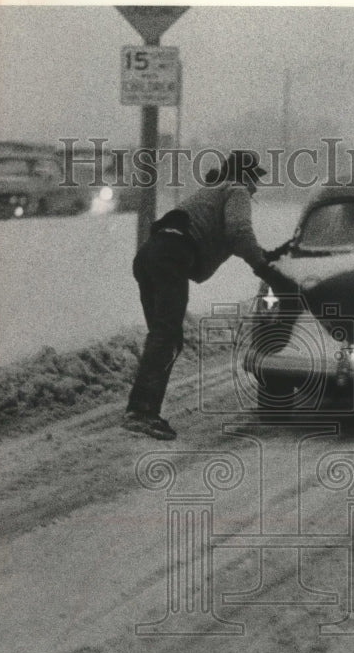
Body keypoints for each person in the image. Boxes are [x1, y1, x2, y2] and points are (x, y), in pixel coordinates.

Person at [122, 150, 297, 440]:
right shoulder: (236, 189)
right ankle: (140, 411)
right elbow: (239, 234)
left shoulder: (211, 192)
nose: (256, 187)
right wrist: (267, 271)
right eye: (255, 178)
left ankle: (142, 409)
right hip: (172, 256)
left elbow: (222, 241)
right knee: (166, 335)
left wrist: (262, 256)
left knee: (164, 336)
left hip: (150, 254)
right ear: (245, 175)